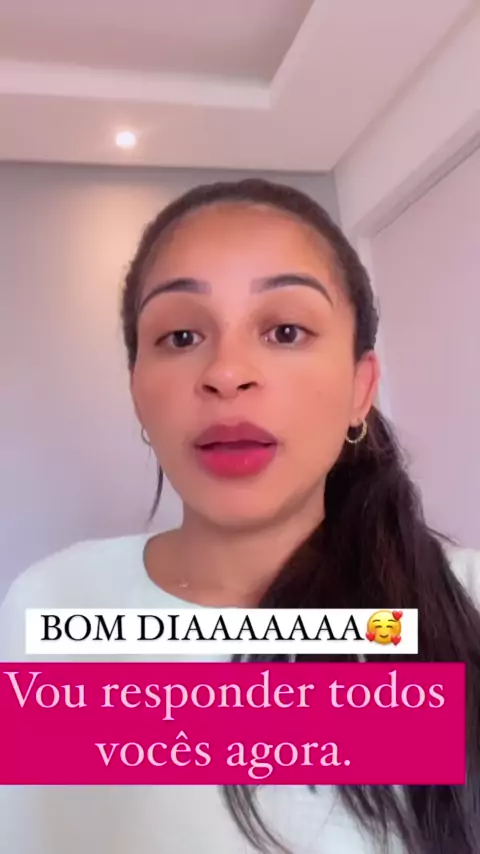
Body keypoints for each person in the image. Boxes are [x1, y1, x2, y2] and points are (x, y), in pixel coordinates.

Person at [0, 178, 479, 854]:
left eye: (285, 331)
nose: (227, 373)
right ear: (137, 390)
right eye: (181, 336)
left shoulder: (466, 603)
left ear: (361, 387)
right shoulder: (53, 603)